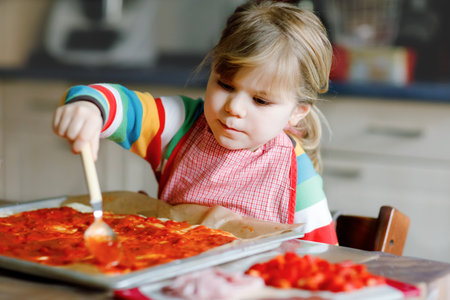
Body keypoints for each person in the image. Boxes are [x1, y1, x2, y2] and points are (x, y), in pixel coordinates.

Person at [53, 0, 337, 244]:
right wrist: (90, 108)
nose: (233, 108)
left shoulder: (297, 177)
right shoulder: (179, 124)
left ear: (297, 112)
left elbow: (325, 256)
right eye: (225, 85)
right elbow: (122, 105)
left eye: (260, 101)